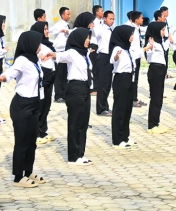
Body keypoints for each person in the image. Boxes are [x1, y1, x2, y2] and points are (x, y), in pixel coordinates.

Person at [2, 31, 48, 186]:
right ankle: (18, 177)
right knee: (22, 142)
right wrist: (2, 78)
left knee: (31, 142)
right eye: (37, 43)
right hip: (22, 105)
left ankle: (28, 172)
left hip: (34, 104)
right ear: (30, 44)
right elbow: (11, 73)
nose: (40, 45)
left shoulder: (35, 59)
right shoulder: (22, 60)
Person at [58, 28, 94, 164]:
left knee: (83, 123)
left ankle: (80, 154)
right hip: (75, 89)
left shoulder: (85, 54)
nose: (88, 40)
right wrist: (50, 55)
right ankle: (73, 157)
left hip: (85, 88)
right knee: (75, 123)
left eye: (89, 38)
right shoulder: (72, 53)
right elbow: (60, 56)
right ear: (79, 39)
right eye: (86, 38)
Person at [109, 25, 138, 147]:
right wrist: (116, 57)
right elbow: (113, 59)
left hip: (129, 79)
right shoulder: (118, 48)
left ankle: (125, 136)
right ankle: (118, 139)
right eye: (130, 34)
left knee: (127, 109)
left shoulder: (128, 48)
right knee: (120, 109)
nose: (132, 37)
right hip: (121, 79)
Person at [31, 21, 57, 142]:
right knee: (40, 105)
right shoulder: (36, 45)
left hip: (50, 75)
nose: (47, 31)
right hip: (43, 76)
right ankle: (36, 133)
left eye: (47, 29)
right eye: (45, 29)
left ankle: (43, 130)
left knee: (47, 104)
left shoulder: (48, 44)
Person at [145, 21, 170, 133]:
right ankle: (152, 126)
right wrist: (150, 48)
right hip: (155, 70)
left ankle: (156, 123)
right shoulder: (151, 42)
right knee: (155, 98)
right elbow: (149, 56)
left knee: (159, 98)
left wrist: (169, 39)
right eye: (162, 30)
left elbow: (165, 48)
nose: (164, 32)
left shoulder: (159, 42)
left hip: (160, 71)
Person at [92, 10, 114, 116]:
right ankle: (101, 109)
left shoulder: (111, 29)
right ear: (104, 18)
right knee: (102, 84)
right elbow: (94, 33)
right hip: (103, 57)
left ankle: (105, 106)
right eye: (110, 19)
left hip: (110, 57)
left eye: (113, 19)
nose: (112, 21)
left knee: (108, 84)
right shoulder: (100, 28)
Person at [51, 7, 72, 102]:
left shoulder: (67, 26)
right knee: (59, 75)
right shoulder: (59, 26)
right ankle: (58, 95)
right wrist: (65, 42)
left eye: (70, 14)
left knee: (65, 74)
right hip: (60, 52)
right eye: (68, 14)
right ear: (62, 15)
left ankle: (64, 94)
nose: (69, 16)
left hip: (65, 52)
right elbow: (58, 41)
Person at [128, 12, 146, 108]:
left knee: (136, 79)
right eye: (141, 18)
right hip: (133, 56)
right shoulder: (131, 29)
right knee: (133, 79)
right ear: (136, 19)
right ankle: (132, 99)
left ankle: (135, 98)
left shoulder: (137, 28)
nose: (143, 19)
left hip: (138, 56)